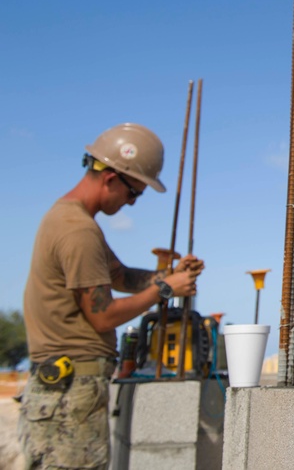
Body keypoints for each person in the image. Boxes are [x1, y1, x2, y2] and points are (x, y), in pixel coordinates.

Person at [18, 123, 205, 469]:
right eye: (134, 193)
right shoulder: (78, 232)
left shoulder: (70, 218)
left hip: (66, 389)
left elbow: (119, 276)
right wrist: (166, 290)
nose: (131, 203)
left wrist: (170, 275)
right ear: (110, 179)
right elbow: (103, 316)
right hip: (71, 390)